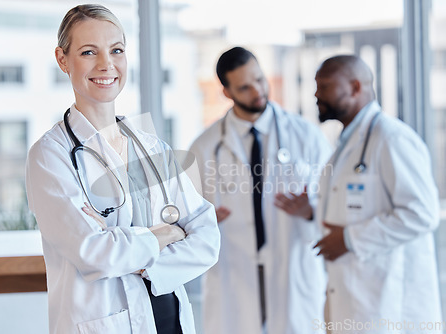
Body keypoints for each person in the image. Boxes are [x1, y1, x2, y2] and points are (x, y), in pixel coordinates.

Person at [25, 5, 220, 334]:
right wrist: (166, 234)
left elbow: (207, 238)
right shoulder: (50, 155)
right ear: (62, 59)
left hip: (170, 321)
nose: (106, 64)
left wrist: (134, 256)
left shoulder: (152, 147)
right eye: (89, 52)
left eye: (116, 50)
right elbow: (93, 253)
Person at [189, 46, 332, 334]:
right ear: (227, 92)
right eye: (244, 87)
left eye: (259, 79)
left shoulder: (306, 136)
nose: (258, 91)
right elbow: (184, 219)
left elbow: (333, 205)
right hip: (233, 275)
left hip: (293, 270)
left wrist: (311, 211)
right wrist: (201, 223)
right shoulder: (205, 148)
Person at [313, 55, 443, 333]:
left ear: (356, 87)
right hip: (353, 303)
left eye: (324, 86)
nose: (316, 94)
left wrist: (349, 238)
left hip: (391, 307)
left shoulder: (392, 138)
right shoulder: (343, 148)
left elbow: (423, 214)